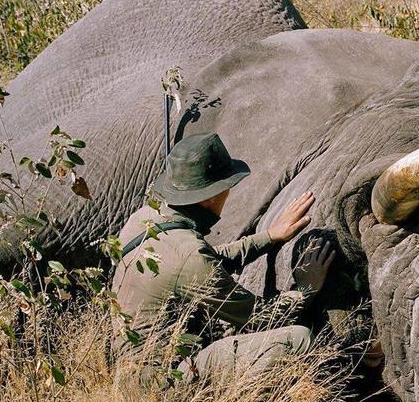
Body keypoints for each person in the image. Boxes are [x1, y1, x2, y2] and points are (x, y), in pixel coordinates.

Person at [112, 132, 335, 385]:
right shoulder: (190, 257)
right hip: (160, 389)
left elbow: (205, 260)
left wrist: (270, 237)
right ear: (213, 195)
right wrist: (305, 290)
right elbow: (261, 317)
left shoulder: (142, 219)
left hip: (128, 378)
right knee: (299, 338)